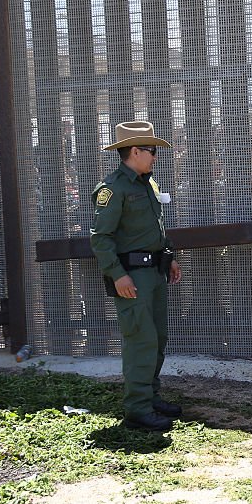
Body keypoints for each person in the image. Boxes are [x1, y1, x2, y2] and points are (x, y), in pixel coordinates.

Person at [91, 121, 183, 432]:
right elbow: (101, 238)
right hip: (132, 277)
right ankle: (137, 409)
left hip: (154, 273)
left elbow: (154, 227)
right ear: (134, 151)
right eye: (151, 151)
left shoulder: (147, 183)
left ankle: (151, 397)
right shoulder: (113, 188)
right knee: (140, 341)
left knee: (157, 339)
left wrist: (168, 257)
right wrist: (118, 275)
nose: (155, 157)